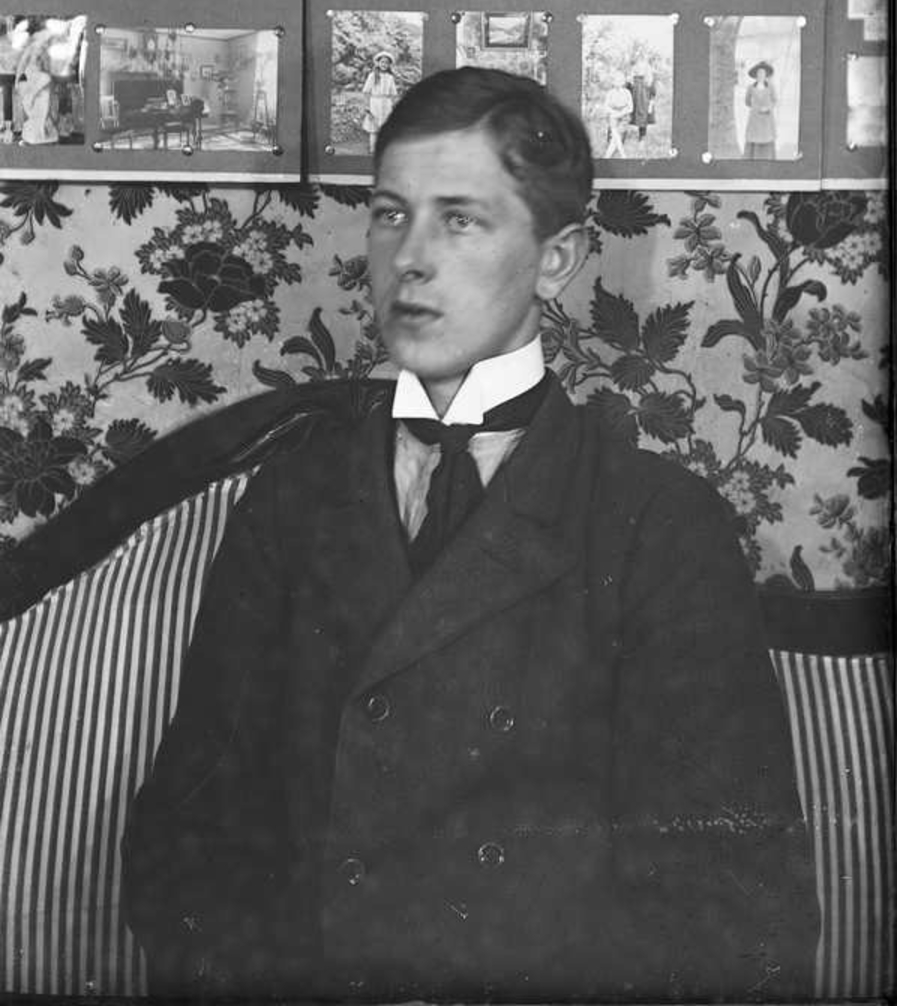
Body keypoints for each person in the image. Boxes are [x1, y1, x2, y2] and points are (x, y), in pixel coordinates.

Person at [121, 67, 818, 1004]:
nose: (408, 259)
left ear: (556, 259)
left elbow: (734, 902)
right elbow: (189, 836)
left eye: (459, 219)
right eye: (388, 214)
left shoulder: (658, 525)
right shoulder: (289, 503)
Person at [361, 50, 399, 152]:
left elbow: (393, 93)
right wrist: (367, 106)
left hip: (386, 104)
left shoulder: (390, 77)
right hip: (375, 103)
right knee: (374, 128)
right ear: (378, 63)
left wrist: (395, 105)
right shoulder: (373, 76)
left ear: (389, 65)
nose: (384, 64)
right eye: (382, 62)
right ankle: (373, 148)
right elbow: (366, 92)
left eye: (386, 63)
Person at [744, 60, 777, 158]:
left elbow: (774, 100)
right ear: (756, 75)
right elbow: (747, 101)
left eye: (763, 73)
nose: (761, 75)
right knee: (754, 137)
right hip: (755, 118)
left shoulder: (770, 87)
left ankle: (767, 157)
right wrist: (755, 108)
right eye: (759, 73)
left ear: (765, 75)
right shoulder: (751, 87)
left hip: (767, 117)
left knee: (766, 137)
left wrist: (767, 108)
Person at [628, 55, 656, 155]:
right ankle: (619, 137)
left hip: (644, 104)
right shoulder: (632, 80)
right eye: (637, 67)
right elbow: (626, 91)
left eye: (642, 67)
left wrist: (651, 105)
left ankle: (641, 139)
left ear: (646, 68)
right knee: (627, 119)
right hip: (633, 103)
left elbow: (653, 93)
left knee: (643, 121)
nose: (639, 69)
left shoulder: (649, 80)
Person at [604, 69, 633, 157]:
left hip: (624, 117)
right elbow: (606, 107)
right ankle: (623, 155)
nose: (618, 83)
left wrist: (621, 113)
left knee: (615, 137)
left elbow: (630, 108)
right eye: (616, 80)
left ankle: (607, 156)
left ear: (623, 82)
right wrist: (614, 112)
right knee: (615, 135)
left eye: (620, 80)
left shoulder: (627, 92)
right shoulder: (610, 93)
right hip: (613, 117)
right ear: (613, 82)